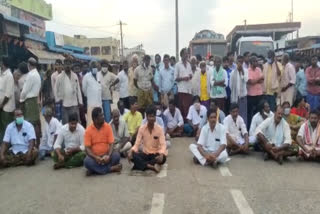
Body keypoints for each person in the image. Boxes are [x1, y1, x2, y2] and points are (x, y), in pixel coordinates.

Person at [128, 105, 167, 173]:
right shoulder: (142, 129)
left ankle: (141, 164)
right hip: (145, 154)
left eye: (153, 116)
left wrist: (161, 154)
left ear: (155, 117)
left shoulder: (159, 129)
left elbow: (163, 144)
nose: (152, 118)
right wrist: (131, 151)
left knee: (163, 158)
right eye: (150, 116)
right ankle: (151, 166)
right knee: (132, 156)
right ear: (146, 117)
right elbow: (137, 144)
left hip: (155, 154)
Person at [84, 107, 122, 176]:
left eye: (103, 115)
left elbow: (111, 144)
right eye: (101, 116)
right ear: (95, 119)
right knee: (87, 161)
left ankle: (94, 170)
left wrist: (108, 155)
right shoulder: (88, 130)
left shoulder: (107, 127)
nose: (103, 117)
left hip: (106, 156)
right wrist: (96, 157)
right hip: (95, 158)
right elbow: (87, 148)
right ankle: (111, 169)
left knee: (116, 155)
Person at [19, 58, 41, 146]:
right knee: (35, 123)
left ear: (29, 65)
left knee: (31, 123)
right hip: (34, 99)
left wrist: (21, 100)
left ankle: (34, 144)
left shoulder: (31, 75)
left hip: (30, 101)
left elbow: (24, 91)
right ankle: (37, 144)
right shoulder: (36, 74)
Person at [55, 59, 83, 125]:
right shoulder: (59, 77)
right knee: (66, 124)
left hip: (74, 103)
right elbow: (55, 89)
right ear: (63, 65)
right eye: (66, 64)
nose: (67, 66)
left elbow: (78, 89)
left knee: (76, 122)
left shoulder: (75, 75)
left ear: (71, 65)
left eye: (69, 64)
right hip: (64, 104)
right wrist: (58, 99)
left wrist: (80, 101)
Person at [175, 48, 193, 120]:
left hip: (189, 90)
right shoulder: (177, 65)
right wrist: (183, 78)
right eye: (185, 53)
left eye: (187, 53)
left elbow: (191, 74)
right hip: (182, 90)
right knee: (182, 109)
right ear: (181, 55)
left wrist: (190, 76)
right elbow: (175, 78)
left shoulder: (189, 64)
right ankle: (182, 125)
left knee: (188, 109)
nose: (187, 55)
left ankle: (187, 125)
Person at [82, 61, 102, 127]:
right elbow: (84, 90)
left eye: (95, 67)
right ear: (90, 68)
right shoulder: (86, 77)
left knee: (100, 122)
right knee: (91, 123)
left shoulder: (99, 75)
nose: (95, 69)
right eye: (93, 67)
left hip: (99, 104)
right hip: (91, 104)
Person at [230, 55, 248, 125]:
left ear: (243, 62)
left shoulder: (245, 71)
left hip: (243, 97)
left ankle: (244, 131)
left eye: (241, 62)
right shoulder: (232, 73)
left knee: (243, 115)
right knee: (235, 115)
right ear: (236, 62)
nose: (240, 63)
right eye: (238, 62)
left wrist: (242, 71)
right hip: (235, 97)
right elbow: (230, 86)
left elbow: (246, 80)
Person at [0, 57, 15, 142]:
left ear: (3, 63)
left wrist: (2, 105)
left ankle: (7, 146)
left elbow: (8, 94)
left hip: (6, 107)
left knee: (6, 128)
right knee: (2, 128)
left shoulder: (9, 75)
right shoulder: (2, 74)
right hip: (2, 106)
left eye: (1, 62)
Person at [247, 56, 264, 130]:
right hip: (251, 95)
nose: (256, 63)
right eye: (255, 61)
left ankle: (259, 128)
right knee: (251, 113)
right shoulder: (248, 71)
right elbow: (251, 82)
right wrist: (257, 80)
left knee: (259, 112)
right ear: (251, 63)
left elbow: (262, 80)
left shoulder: (259, 69)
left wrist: (255, 81)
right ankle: (251, 128)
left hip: (259, 94)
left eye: (256, 61)